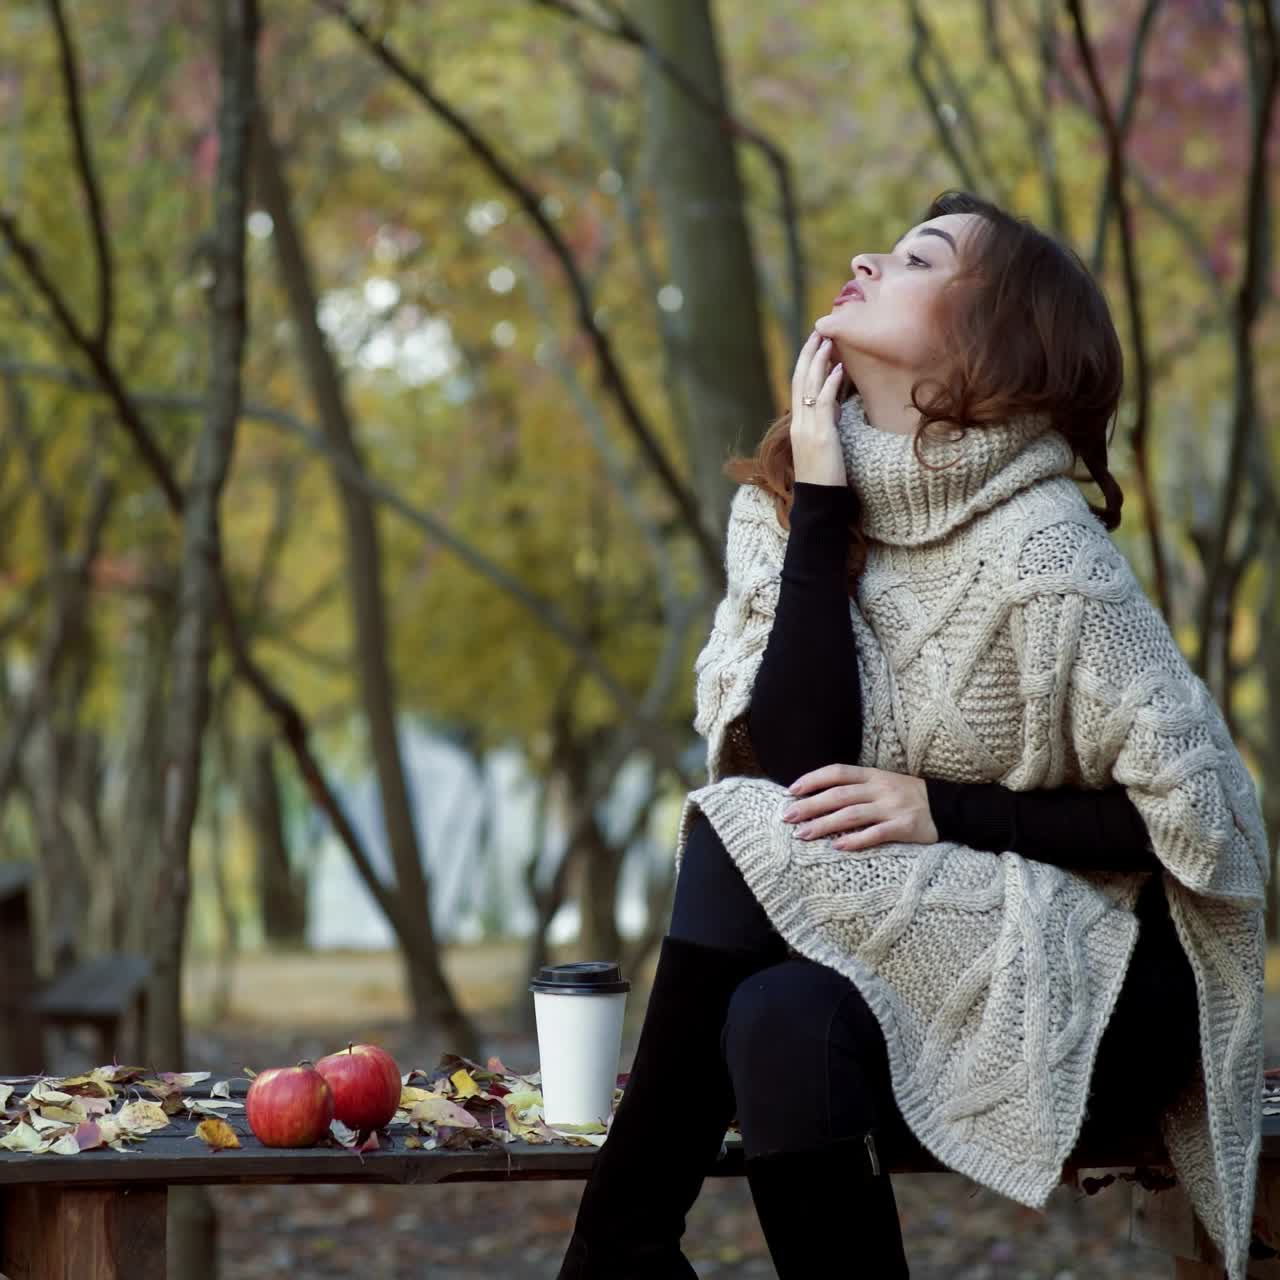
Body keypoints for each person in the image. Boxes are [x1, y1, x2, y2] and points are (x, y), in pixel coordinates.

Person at [557, 191, 1267, 1280]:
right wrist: (822, 499)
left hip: (1105, 978)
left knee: (734, 828)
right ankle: (625, 1246)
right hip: (916, 966)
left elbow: (1207, 824)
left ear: (991, 335)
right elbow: (799, 773)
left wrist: (944, 809)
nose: (864, 259)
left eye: (917, 258)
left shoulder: (1044, 548)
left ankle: (617, 1244)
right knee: (777, 1017)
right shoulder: (785, 511)